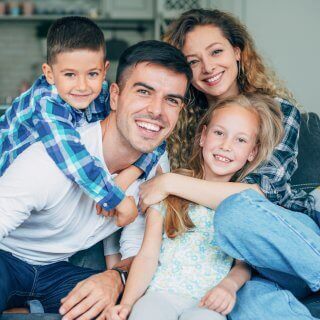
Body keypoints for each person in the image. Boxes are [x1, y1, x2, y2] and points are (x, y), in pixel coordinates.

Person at [139, 9, 320, 320]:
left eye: (216, 51)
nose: (208, 67)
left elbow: (260, 194)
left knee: (234, 213)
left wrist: (169, 182)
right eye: (193, 61)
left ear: (237, 52)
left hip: (288, 242)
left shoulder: (279, 112)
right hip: (243, 266)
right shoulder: (184, 125)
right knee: (244, 304)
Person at [0, 40, 192, 320]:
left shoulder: (156, 170)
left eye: (171, 100)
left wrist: (116, 278)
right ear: (114, 96)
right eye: (143, 92)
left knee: (121, 307)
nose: (156, 110)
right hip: (5, 257)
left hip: (56, 271)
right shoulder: (52, 158)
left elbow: (142, 252)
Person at [107, 93, 284, 320]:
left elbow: (244, 265)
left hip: (207, 302)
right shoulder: (167, 189)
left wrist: (228, 286)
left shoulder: (243, 204)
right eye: (219, 133)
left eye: (240, 140)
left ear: (252, 152)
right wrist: (128, 302)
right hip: (161, 294)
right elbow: (147, 256)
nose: (226, 146)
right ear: (203, 136)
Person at [0, 16, 166, 227]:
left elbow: (155, 138)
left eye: (92, 74)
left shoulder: (106, 95)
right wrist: (116, 198)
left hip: (50, 202)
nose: (82, 86)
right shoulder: (45, 101)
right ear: (49, 74)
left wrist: (126, 177)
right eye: (70, 74)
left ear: (105, 71)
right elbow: (70, 155)